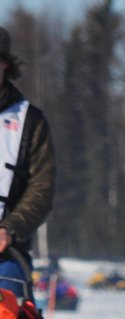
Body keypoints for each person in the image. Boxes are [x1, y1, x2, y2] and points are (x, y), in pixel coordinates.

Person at [0, 27, 54, 301]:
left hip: (6, 252)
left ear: (5, 64)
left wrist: (9, 229)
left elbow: (41, 187)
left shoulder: (30, 121)